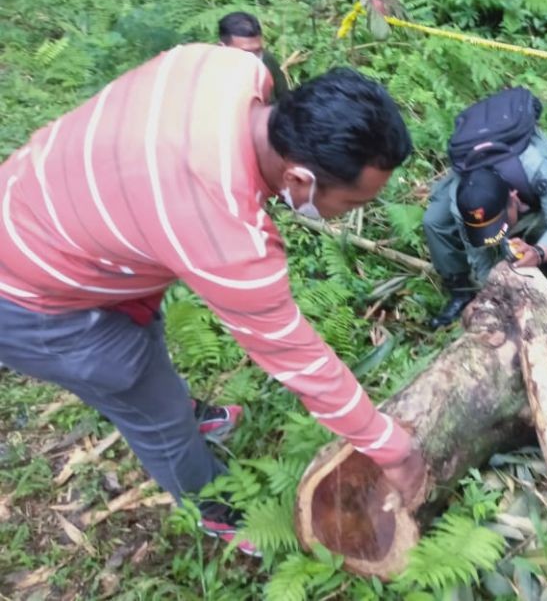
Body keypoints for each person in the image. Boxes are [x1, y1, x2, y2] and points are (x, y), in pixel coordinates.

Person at [0, 45, 426, 555]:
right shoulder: (220, 227)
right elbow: (296, 358)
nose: (349, 213)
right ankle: (212, 503)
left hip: (37, 197)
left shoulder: (227, 68)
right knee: (146, 399)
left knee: (145, 350)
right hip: (32, 300)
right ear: (299, 179)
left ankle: (178, 404)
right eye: (352, 203)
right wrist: (389, 446)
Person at [423, 88, 547, 329]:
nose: (497, 233)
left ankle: (544, 266)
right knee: (434, 220)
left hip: (516, 155)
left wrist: (538, 252)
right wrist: (493, 292)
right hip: (474, 166)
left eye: (501, 223)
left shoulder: (535, 169)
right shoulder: (460, 200)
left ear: (514, 197)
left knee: (542, 229)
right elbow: (478, 254)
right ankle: (460, 291)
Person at [218, 11, 291, 103]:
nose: (254, 59)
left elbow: (284, 100)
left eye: (257, 51)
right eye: (245, 52)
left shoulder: (266, 60)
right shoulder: (207, 75)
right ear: (223, 48)